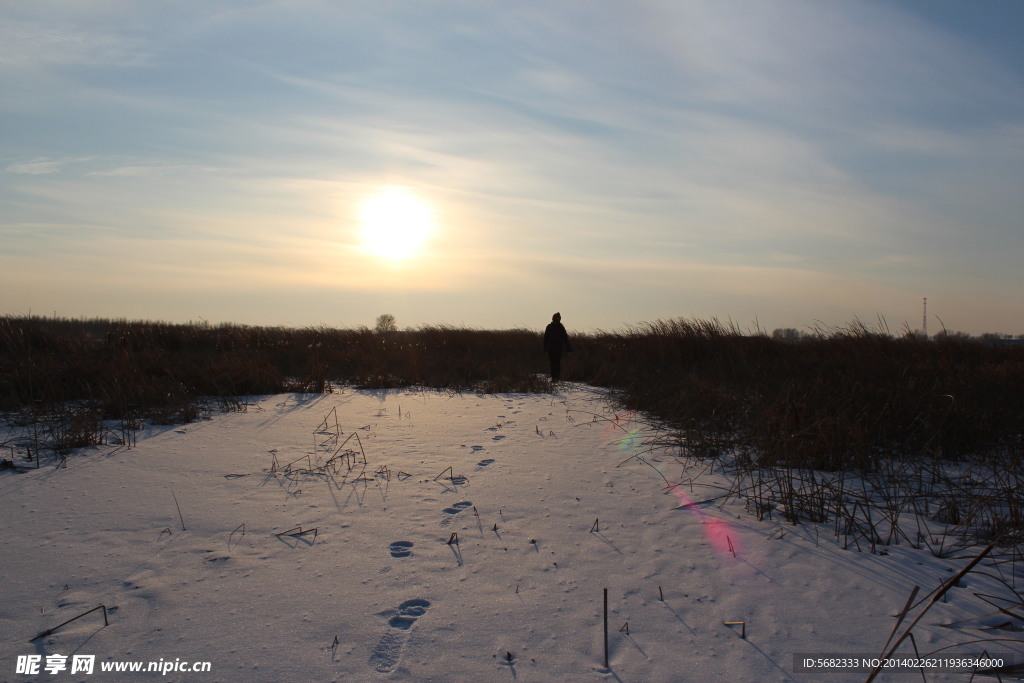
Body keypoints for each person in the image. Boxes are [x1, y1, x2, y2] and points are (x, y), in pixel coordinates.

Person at [543, 312, 572, 382]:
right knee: (557, 362)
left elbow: (545, 338)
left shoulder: (550, 326)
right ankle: (556, 377)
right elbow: (565, 338)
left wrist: (545, 347)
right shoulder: (560, 327)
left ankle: (554, 378)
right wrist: (568, 348)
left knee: (553, 363)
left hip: (552, 348)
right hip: (557, 348)